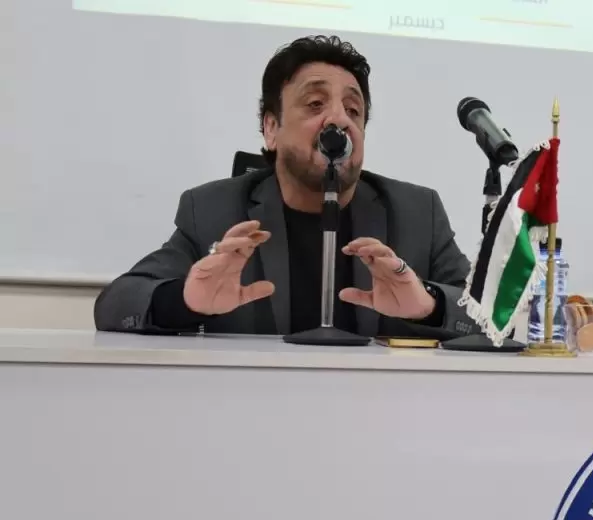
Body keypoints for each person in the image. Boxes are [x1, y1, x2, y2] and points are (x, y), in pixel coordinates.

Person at [94, 35, 478, 339]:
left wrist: (430, 305)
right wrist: (183, 301)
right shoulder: (214, 210)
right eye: (315, 104)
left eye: (353, 110)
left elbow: (492, 320)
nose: (339, 119)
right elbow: (115, 304)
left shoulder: (416, 212)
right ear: (271, 128)